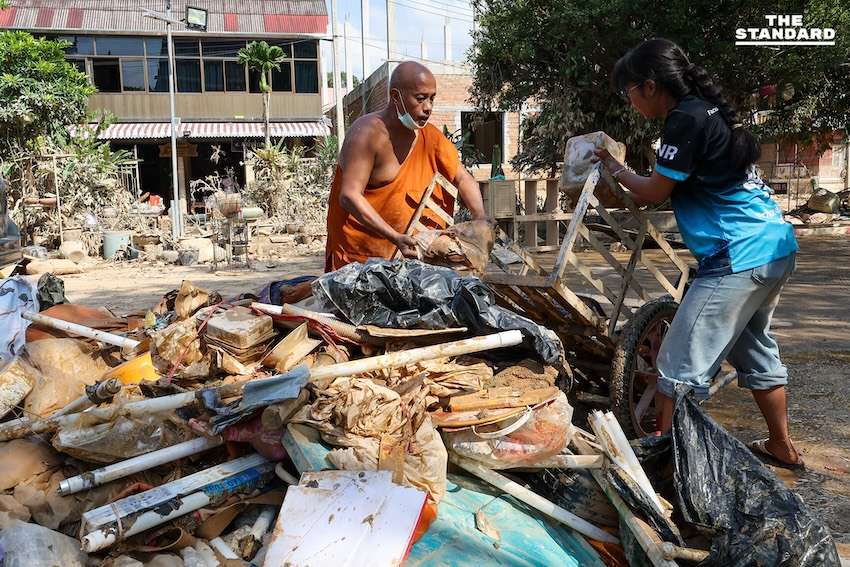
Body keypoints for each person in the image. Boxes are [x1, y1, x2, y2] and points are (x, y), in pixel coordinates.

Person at [593, 38, 803, 469]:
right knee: (755, 350)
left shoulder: (684, 120)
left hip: (737, 254)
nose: (628, 100)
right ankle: (780, 445)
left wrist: (614, 167)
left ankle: (668, 469)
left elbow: (654, 191)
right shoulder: (707, 111)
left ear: (649, 86)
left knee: (676, 364)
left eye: (627, 90)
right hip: (775, 245)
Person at [324, 61, 488, 272]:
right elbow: (349, 196)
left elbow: (462, 178)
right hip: (362, 252)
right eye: (420, 99)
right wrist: (394, 237)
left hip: (410, 254)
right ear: (395, 97)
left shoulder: (430, 137)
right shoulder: (367, 134)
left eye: (432, 98)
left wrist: (480, 218)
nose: (428, 107)